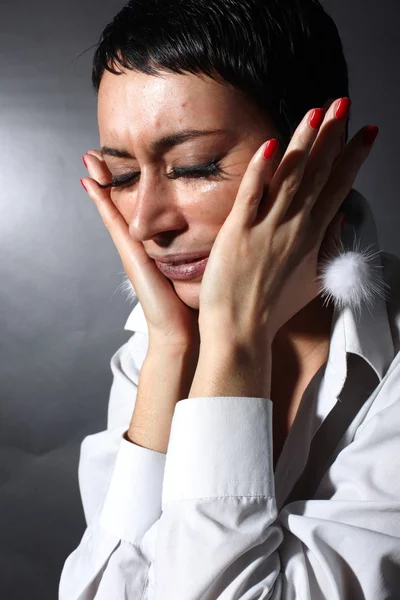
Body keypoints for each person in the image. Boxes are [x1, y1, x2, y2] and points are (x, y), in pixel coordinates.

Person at [59, 0, 400, 598]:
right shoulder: (158, 340)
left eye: (194, 166)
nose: (144, 223)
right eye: (124, 175)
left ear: (320, 149)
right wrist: (171, 350)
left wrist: (234, 341)